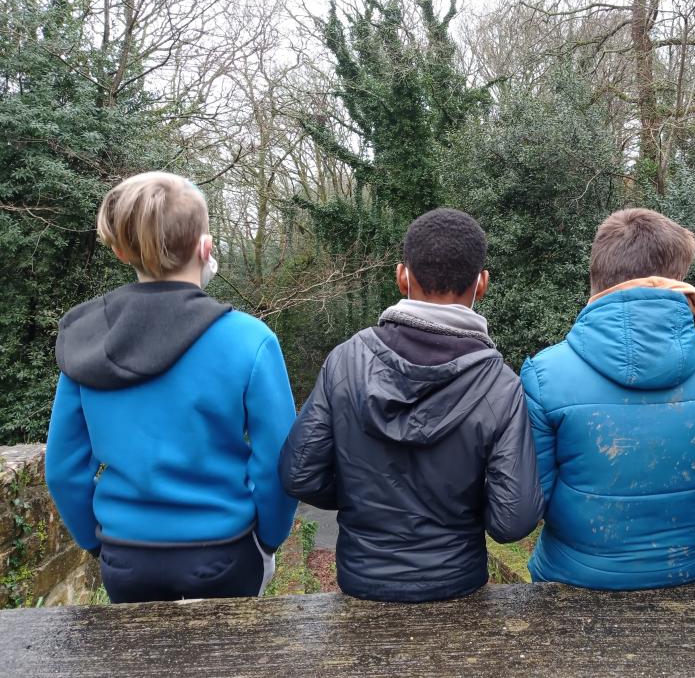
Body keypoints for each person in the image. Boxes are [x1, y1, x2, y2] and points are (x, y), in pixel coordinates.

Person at [45, 172, 298, 603]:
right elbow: (278, 460)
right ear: (206, 247)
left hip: (126, 558)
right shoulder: (250, 339)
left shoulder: (86, 337)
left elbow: (64, 467)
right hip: (224, 553)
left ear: (122, 252)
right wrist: (268, 539)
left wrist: (96, 542)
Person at [279, 208, 543, 602]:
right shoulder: (500, 385)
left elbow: (300, 474)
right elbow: (513, 519)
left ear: (402, 275)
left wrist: (361, 494)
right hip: (457, 587)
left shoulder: (346, 361)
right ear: (482, 284)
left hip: (362, 582)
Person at [522, 208, 695, 590]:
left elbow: (533, 498)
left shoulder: (545, 375)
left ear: (595, 276)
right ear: (678, 280)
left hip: (570, 581)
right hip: (682, 578)